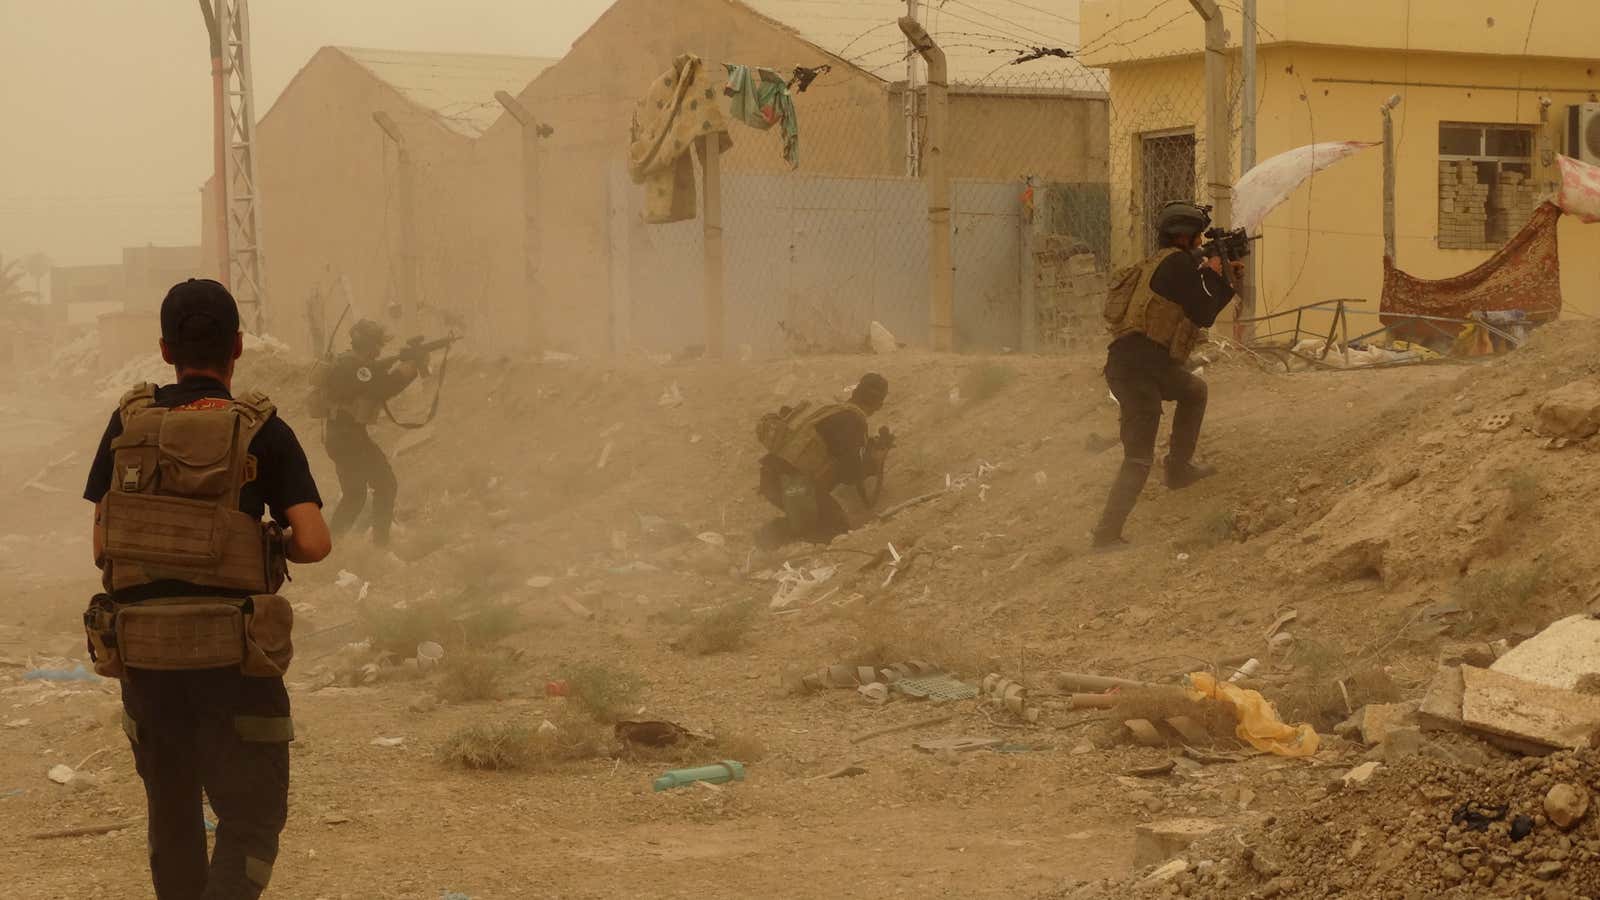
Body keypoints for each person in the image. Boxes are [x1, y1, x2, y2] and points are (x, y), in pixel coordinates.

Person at [82, 278, 331, 899]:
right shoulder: (261, 430)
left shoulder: (130, 422)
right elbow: (315, 541)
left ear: (165, 351)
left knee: (173, 819)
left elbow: (100, 546)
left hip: (148, 662)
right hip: (234, 663)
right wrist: (260, 545)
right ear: (239, 346)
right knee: (248, 823)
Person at [1092, 202, 1244, 549]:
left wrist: (1219, 275)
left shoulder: (1160, 263)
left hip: (1141, 362)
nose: (1201, 242)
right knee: (1138, 457)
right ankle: (1106, 534)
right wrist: (1222, 277)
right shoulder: (1177, 266)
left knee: (1193, 391)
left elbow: (1197, 302)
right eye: (1199, 237)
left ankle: (1178, 469)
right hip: (1139, 369)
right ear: (1186, 236)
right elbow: (1204, 313)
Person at [756, 373, 891, 547]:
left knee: (819, 519)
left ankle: (771, 541)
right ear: (879, 405)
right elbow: (850, 474)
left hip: (774, 476)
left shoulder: (832, 410)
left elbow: (831, 445)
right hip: (792, 484)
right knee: (835, 530)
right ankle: (766, 540)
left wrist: (867, 449)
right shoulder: (854, 421)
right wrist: (874, 461)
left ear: (855, 392)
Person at [322, 319, 417, 546]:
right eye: (376, 346)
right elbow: (381, 388)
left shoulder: (350, 363)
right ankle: (380, 547)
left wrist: (397, 361)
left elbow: (372, 374)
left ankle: (331, 546)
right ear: (367, 344)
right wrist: (408, 371)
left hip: (340, 437)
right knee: (386, 485)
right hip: (349, 439)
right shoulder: (354, 367)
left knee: (355, 496)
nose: (378, 351)